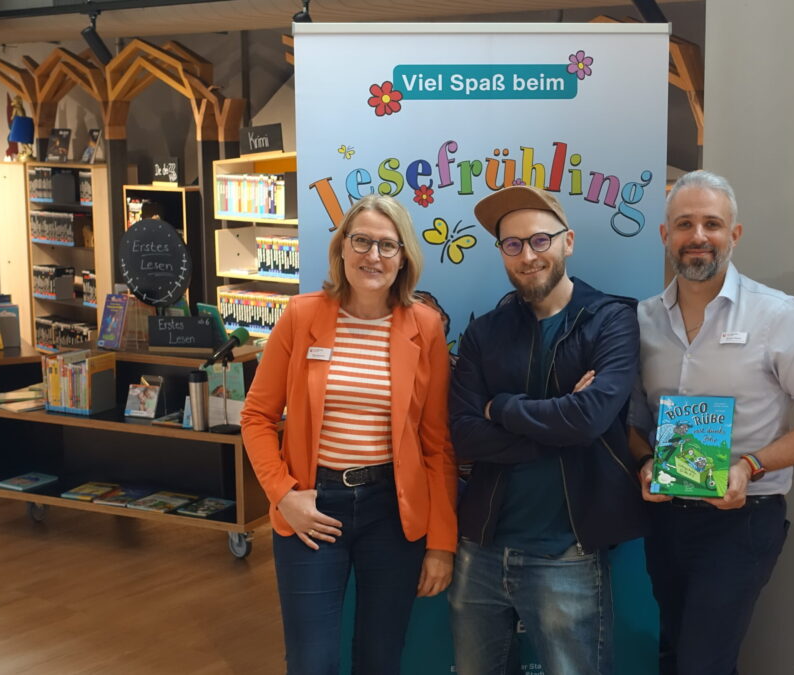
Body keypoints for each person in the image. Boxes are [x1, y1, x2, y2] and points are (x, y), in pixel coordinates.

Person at [628, 170, 794, 675]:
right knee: (670, 651)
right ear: (667, 236)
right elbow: (633, 420)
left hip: (743, 518)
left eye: (712, 223)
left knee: (704, 662)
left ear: (735, 234)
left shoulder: (779, 316)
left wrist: (749, 465)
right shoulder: (641, 321)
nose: (698, 236)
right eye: (684, 224)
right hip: (663, 518)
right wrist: (644, 461)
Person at [240, 193, 458, 675]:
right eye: (361, 241)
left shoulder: (425, 327)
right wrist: (284, 496)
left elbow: (436, 442)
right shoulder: (301, 316)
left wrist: (441, 543)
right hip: (313, 508)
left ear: (403, 259)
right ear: (342, 248)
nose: (372, 256)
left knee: (380, 660)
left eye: (387, 245)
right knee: (312, 661)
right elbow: (255, 417)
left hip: (392, 511)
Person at [448, 185, 647, 675]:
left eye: (540, 240)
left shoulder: (612, 320)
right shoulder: (485, 332)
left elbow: (590, 419)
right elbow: (465, 435)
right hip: (480, 550)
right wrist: (558, 418)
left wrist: (505, 407)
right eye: (512, 245)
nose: (527, 256)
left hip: (568, 553)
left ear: (568, 242)